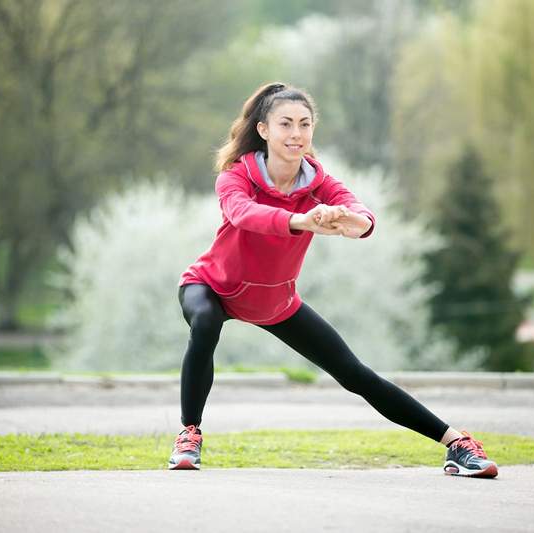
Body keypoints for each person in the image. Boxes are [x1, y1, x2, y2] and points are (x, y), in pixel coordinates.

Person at [168, 81, 498, 478]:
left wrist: (354, 223)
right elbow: (243, 214)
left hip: (275, 302)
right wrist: (299, 220)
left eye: (304, 125)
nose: (296, 134)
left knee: (355, 374)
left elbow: (361, 215)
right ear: (263, 130)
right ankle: (189, 435)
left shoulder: (319, 183)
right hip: (213, 287)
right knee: (204, 323)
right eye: (286, 124)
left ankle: (456, 444)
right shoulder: (236, 176)